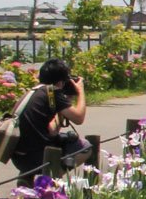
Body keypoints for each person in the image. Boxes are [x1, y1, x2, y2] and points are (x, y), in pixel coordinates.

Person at [10, 58, 97, 186]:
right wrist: (80, 91)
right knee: (85, 147)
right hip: (38, 157)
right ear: (61, 82)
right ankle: (50, 181)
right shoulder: (53, 93)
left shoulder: (35, 91)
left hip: (20, 159)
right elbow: (79, 118)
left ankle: (27, 177)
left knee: (61, 139)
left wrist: (63, 106)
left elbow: (51, 131)